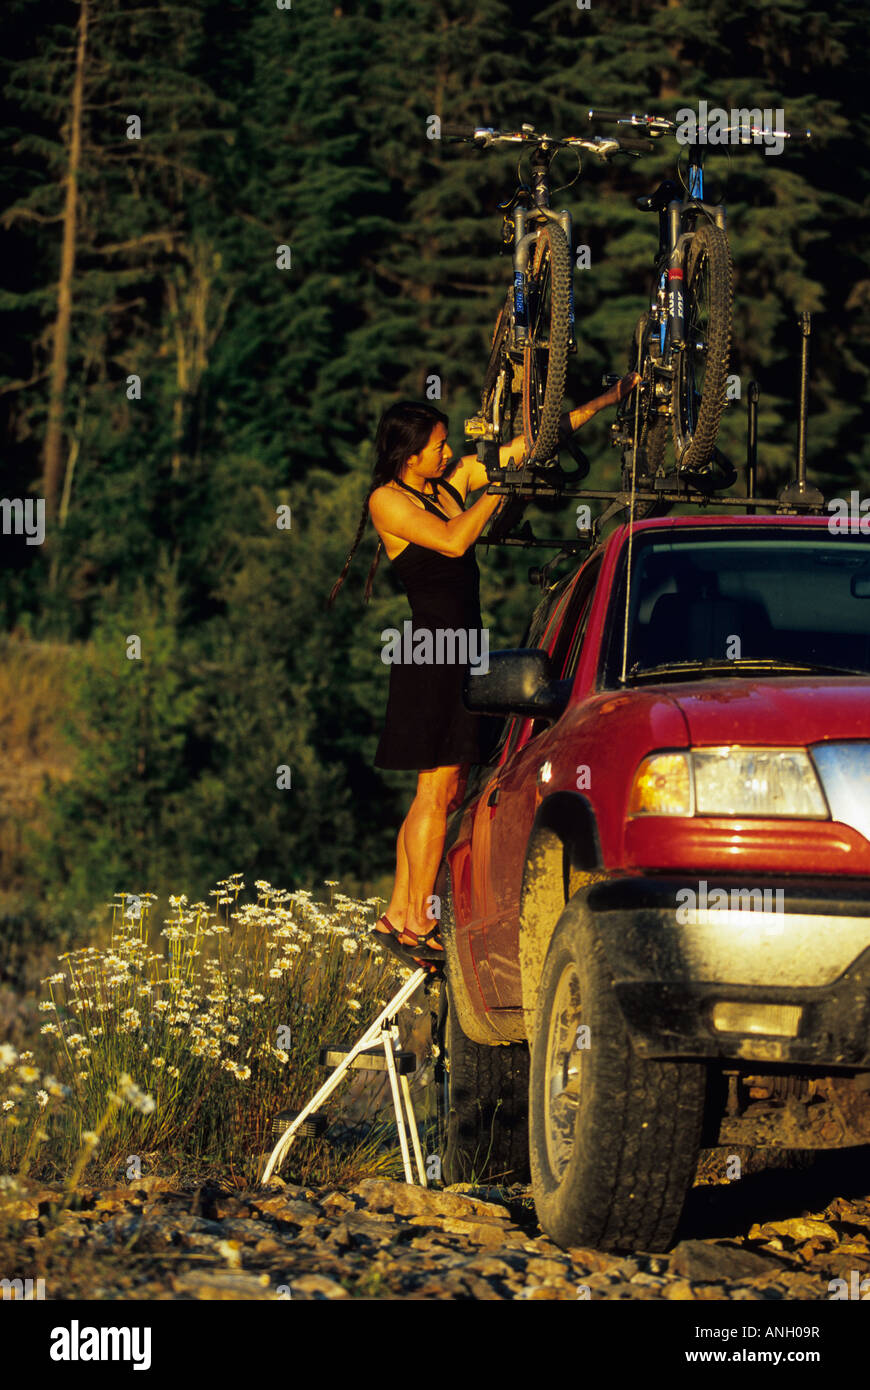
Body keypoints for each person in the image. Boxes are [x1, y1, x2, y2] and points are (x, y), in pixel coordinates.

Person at [327, 375, 639, 968]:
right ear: (409, 453)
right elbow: (452, 540)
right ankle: (418, 919)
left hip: (462, 644)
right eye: (439, 446)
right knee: (434, 788)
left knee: (443, 792)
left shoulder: (449, 482)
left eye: (448, 445)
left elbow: (530, 444)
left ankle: (397, 914)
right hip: (430, 651)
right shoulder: (387, 499)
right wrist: (500, 489)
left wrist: (603, 402)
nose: (448, 454)